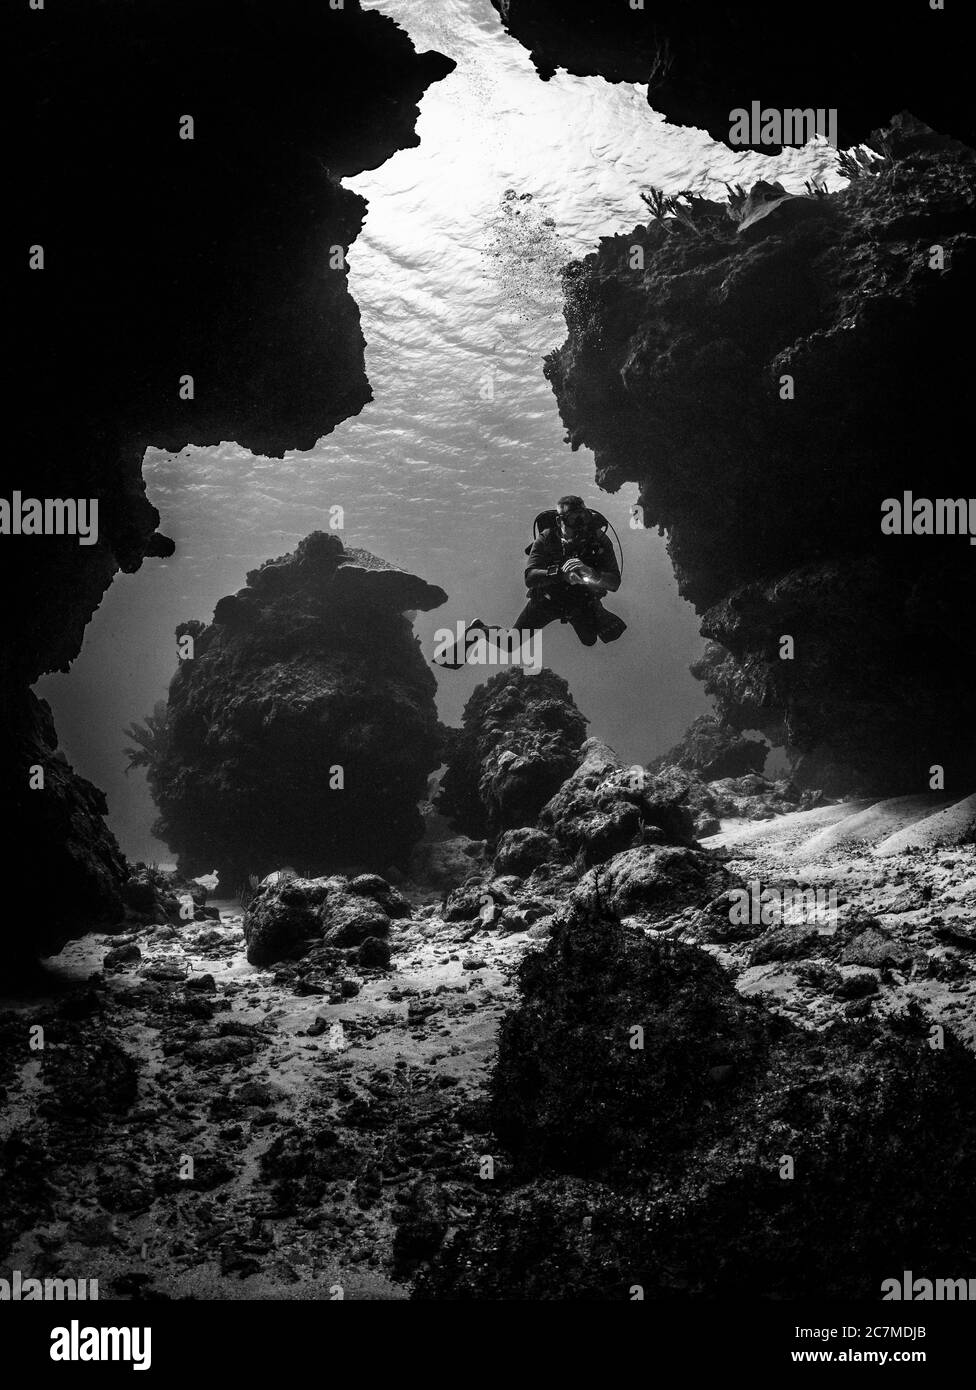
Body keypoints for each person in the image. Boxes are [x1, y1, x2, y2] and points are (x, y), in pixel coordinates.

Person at [514, 495, 627, 646]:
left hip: (580, 602)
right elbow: (530, 578)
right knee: (511, 643)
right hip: (547, 600)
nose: (580, 525)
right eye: (573, 519)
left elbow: (614, 583)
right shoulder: (546, 538)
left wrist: (593, 574)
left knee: (590, 640)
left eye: (583, 517)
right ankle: (480, 630)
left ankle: (596, 609)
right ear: (559, 521)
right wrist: (562, 574)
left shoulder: (599, 540)